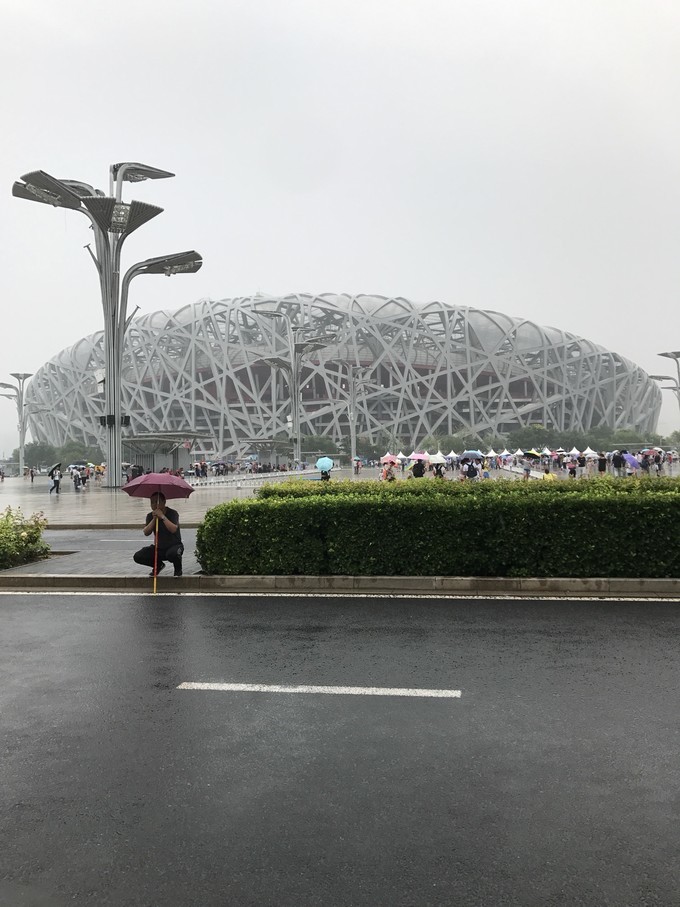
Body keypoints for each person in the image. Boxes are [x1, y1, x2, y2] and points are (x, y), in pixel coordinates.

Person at [133, 492, 184, 577]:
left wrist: (163, 517)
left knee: (172, 554)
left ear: (164, 502)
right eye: (152, 502)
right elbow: (146, 532)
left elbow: (173, 529)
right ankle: (158, 565)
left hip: (174, 545)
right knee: (138, 556)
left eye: (157, 502)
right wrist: (154, 519)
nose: (154, 505)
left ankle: (178, 569)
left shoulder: (173, 513)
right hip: (159, 548)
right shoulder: (150, 516)